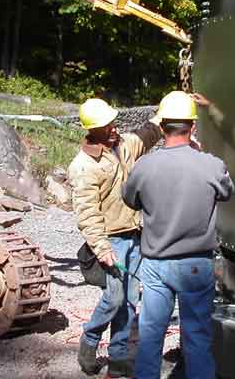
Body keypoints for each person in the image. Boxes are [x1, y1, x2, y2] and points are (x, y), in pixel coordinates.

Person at [122, 91, 234, 379]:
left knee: (150, 337)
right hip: (196, 265)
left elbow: (130, 199)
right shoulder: (211, 164)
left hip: (156, 263)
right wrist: (201, 154)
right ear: (192, 127)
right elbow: (227, 192)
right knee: (197, 339)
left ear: (161, 127)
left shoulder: (144, 165)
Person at [70, 97, 162, 378]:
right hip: (111, 240)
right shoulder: (84, 165)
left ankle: (119, 357)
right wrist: (101, 247)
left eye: (111, 121)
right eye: (105, 125)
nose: (112, 127)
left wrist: (166, 112)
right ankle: (89, 341)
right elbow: (87, 212)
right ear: (92, 130)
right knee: (115, 297)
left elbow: (146, 135)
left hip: (134, 235)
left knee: (130, 299)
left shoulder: (122, 146)